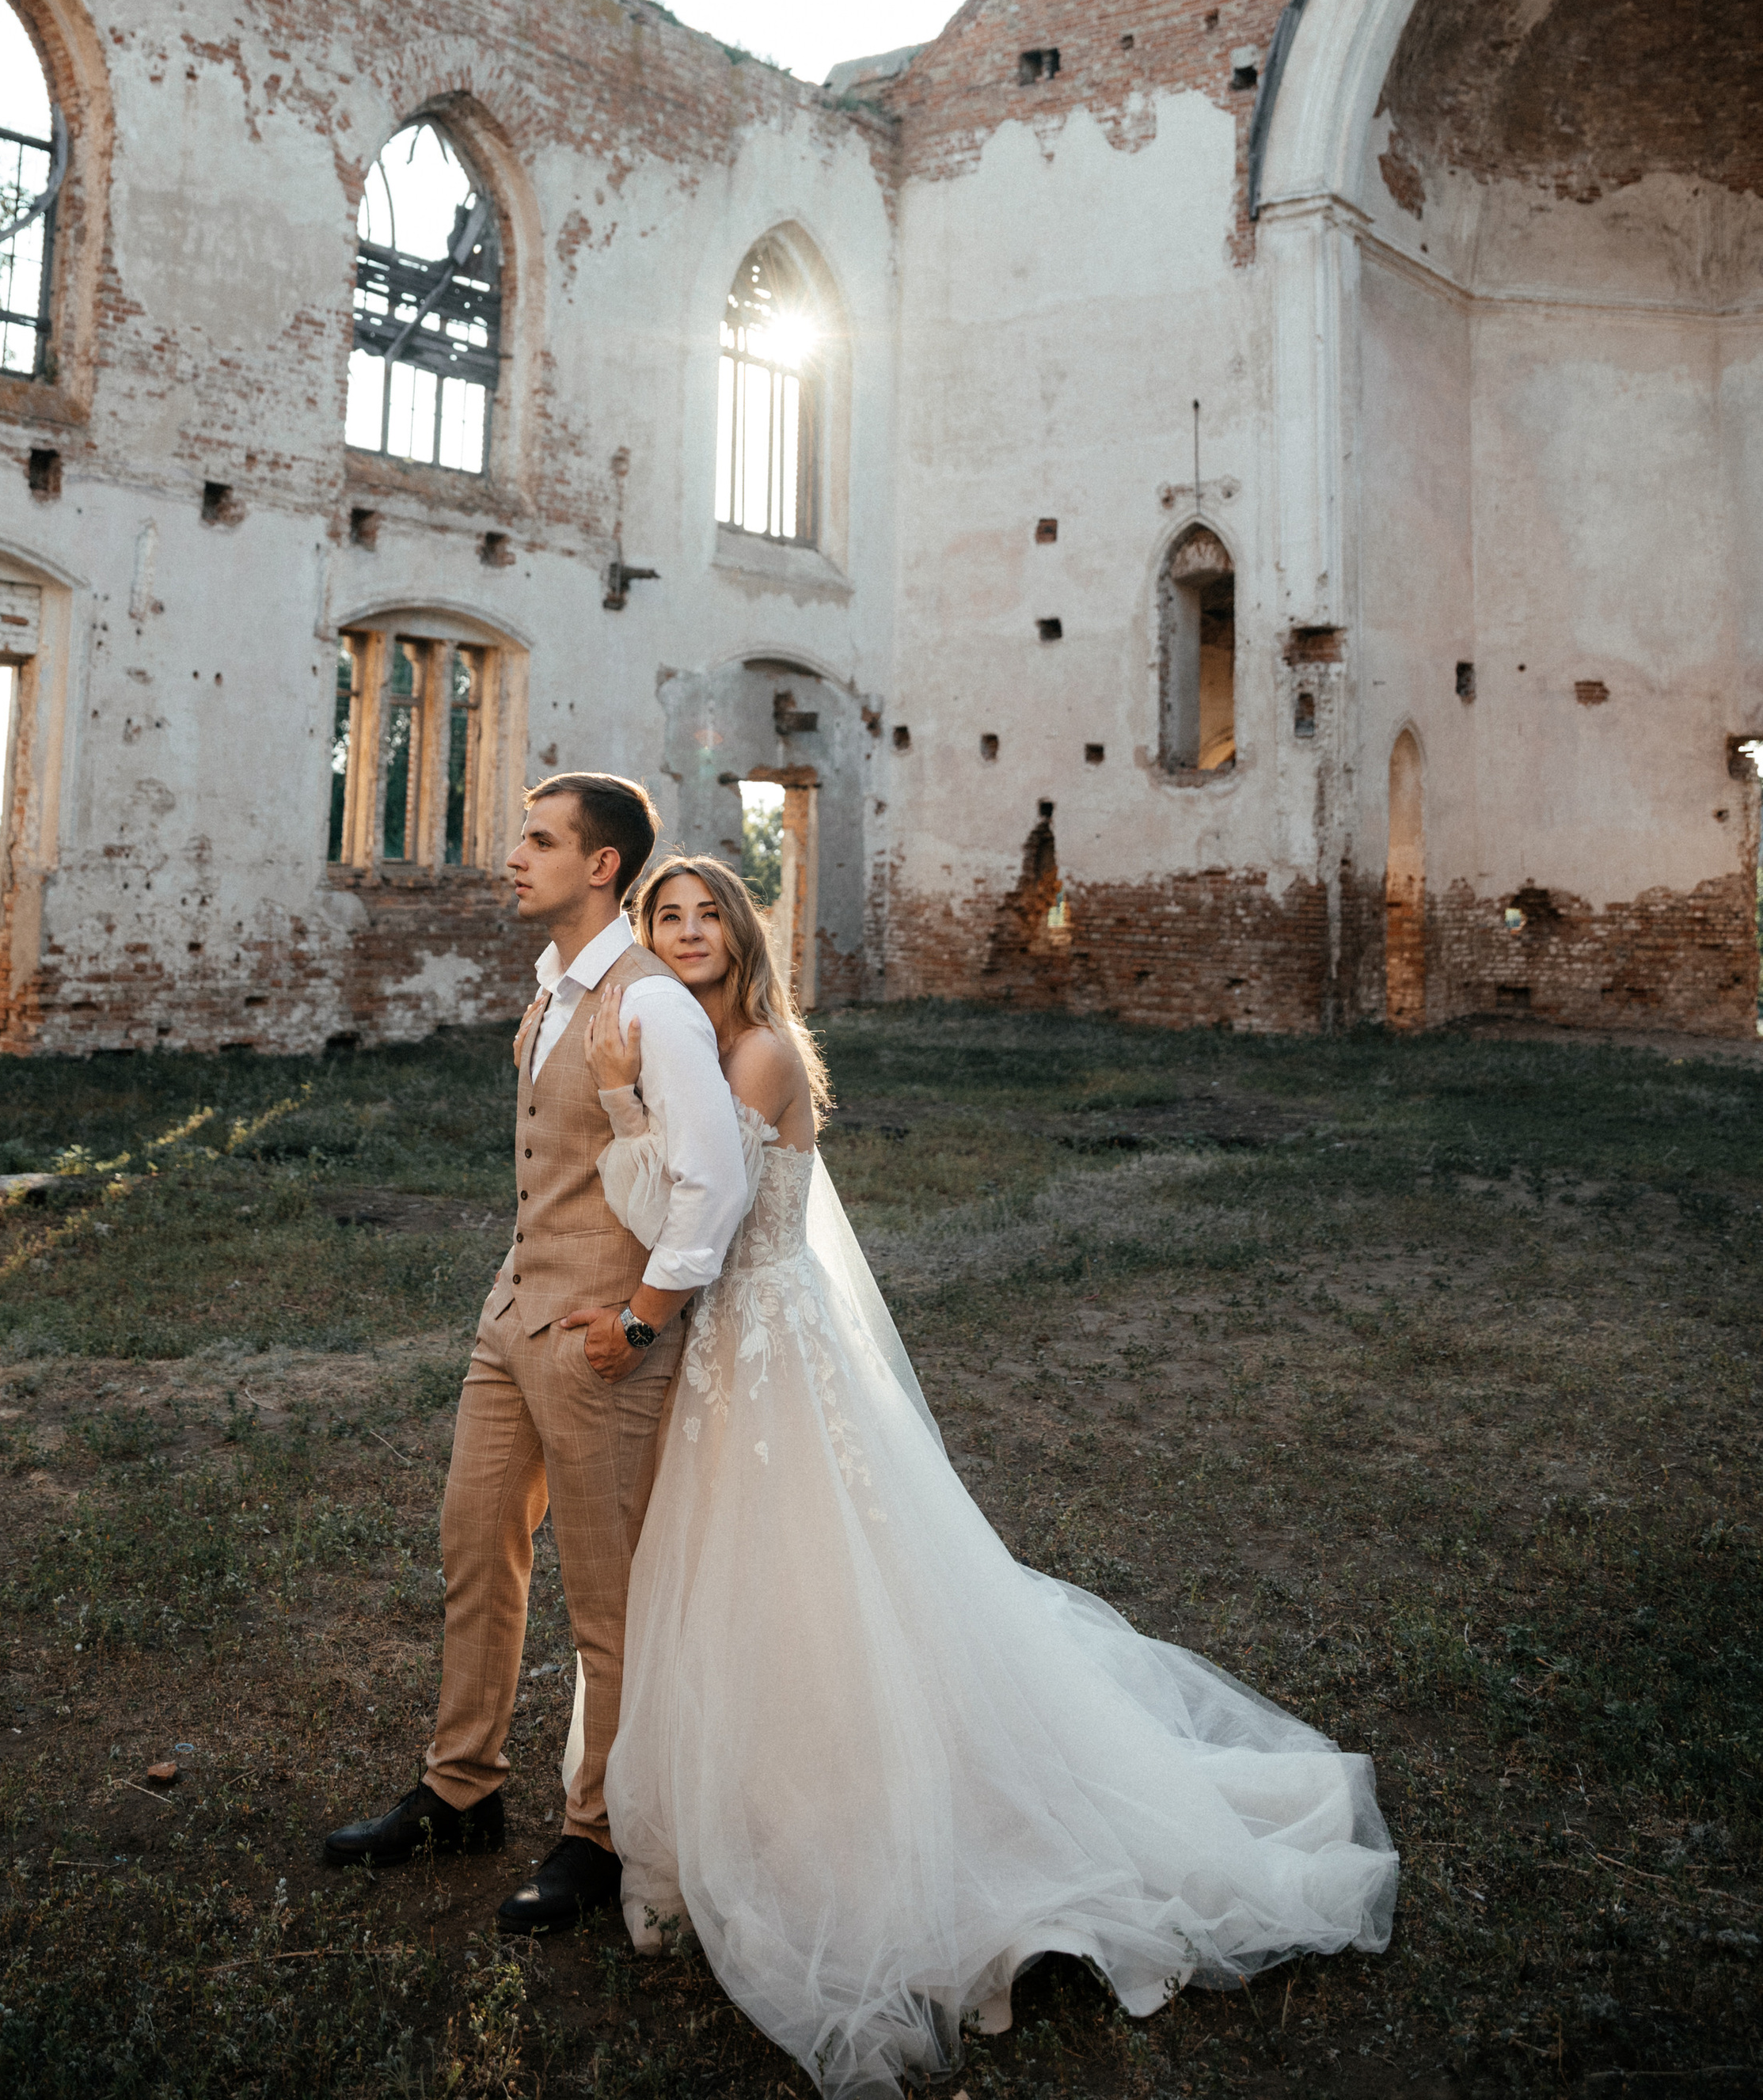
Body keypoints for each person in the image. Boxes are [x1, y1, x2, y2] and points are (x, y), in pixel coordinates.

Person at [592, 854, 1400, 2099]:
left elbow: (683, 1226)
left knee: (816, 1576)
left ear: (744, 937)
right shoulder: (697, 1042)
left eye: (708, 915)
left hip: (766, 1354)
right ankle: (755, 1804)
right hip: (733, 1357)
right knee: (740, 1583)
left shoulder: (751, 1054)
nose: (688, 932)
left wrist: (625, 1110)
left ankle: (864, 1822)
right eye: (667, 917)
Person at [321, 777, 751, 1936]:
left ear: (601, 865)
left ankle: (600, 1836)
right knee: (476, 1547)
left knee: (608, 1607)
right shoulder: (554, 986)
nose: (513, 856)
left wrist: (641, 1319)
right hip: (511, 1322)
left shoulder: (652, 1004)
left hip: (605, 1341)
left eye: (539, 840)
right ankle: (462, 1789)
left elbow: (716, 1178)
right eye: (521, 835)